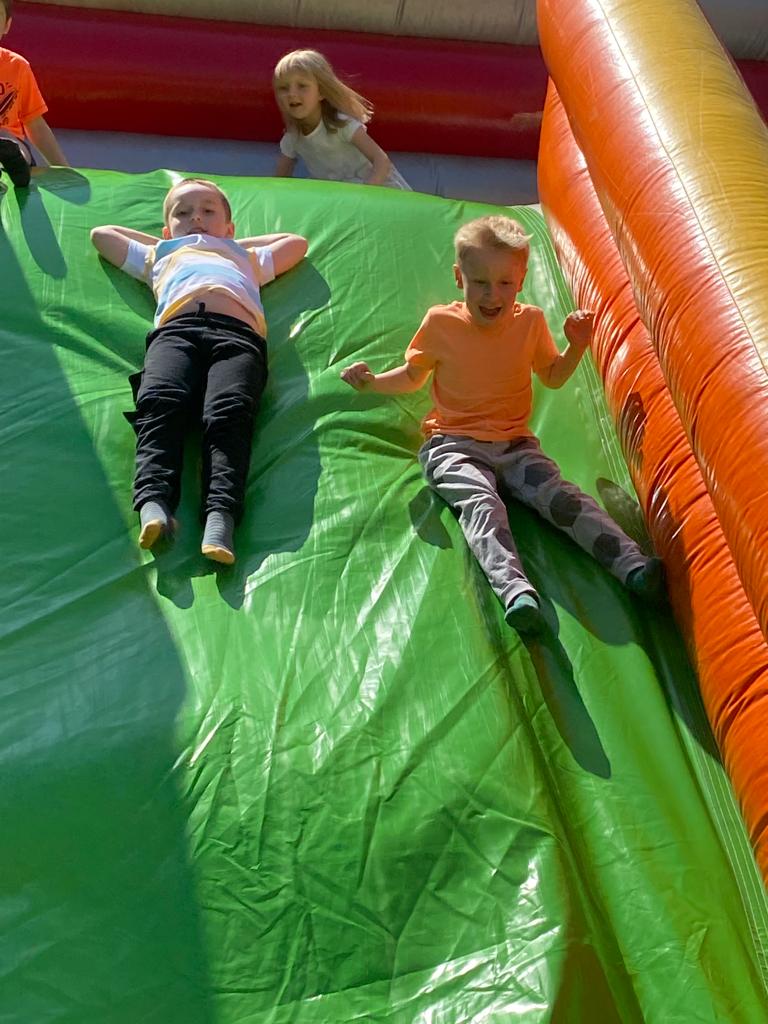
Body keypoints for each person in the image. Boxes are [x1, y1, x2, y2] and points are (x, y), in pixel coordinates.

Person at [341, 215, 664, 634]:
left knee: (562, 498)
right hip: (452, 444)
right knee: (482, 503)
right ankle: (516, 592)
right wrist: (372, 383)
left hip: (515, 445)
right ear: (459, 277)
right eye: (479, 282)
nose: (492, 295)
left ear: (521, 281)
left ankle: (632, 567)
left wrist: (577, 346)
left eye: (504, 283)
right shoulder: (441, 324)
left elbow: (552, 375)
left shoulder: (529, 323)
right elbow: (413, 375)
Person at [91, 178, 308, 565]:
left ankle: (220, 516)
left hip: (237, 337)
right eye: (183, 213)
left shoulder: (244, 258)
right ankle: (154, 502)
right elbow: (101, 236)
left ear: (230, 227)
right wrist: (173, 244)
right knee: (159, 402)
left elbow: (296, 243)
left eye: (208, 211)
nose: (196, 219)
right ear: (166, 230)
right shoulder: (159, 257)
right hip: (176, 333)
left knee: (229, 413)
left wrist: (226, 244)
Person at [273, 48, 410, 190]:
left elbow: (381, 160)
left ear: (321, 92)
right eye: (283, 88)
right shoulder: (294, 137)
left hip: (382, 190)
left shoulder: (342, 125)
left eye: (302, 86)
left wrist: (366, 195)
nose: (292, 94)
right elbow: (280, 180)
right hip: (345, 197)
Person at [0, 0, 68, 188]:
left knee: (12, 145)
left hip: (8, 141)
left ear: (6, 25)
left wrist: (63, 168)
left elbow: (35, 123)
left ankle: (17, 167)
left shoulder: (17, 67)